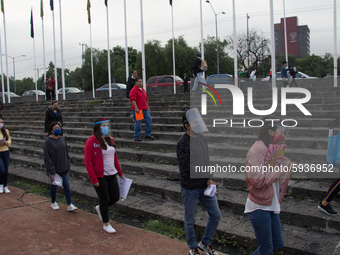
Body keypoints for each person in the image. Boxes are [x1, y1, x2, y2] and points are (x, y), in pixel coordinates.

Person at [244, 117, 293, 254]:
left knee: (277, 244)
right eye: (281, 132)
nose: (283, 135)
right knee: (267, 249)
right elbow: (257, 180)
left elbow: (272, 170)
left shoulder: (272, 148)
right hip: (259, 206)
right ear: (271, 132)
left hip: (270, 202)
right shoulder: (257, 149)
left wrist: (286, 166)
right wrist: (279, 172)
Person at [177, 108, 221, 255]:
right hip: (190, 188)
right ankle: (193, 246)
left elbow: (206, 160)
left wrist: (209, 178)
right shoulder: (182, 143)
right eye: (195, 121)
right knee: (190, 219)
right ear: (187, 125)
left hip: (204, 185)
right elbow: (187, 167)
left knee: (216, 214)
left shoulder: (202, 139)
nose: (199, 123)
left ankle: (205, 243)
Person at [84, 118, 124, 234]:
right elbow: (88, 161)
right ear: (98, 127)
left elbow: (114, 157)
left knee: (115, 197)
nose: (106, 127)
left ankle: (100, 208)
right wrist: (93, 178)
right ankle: (106, 223)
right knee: (104, 198)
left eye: (107, 125)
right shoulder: (91, 141)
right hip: (100, 176)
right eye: (103, 126)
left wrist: (120, 172)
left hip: (112, 173)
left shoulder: (110, 139)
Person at [43, 121, 77, 211]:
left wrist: (68, 164)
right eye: (55, 128)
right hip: (54, 169)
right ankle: (53, 202)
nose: (58, 129)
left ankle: (69, 204)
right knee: (54, 186)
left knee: (66, 185)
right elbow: (47, 157)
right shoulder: (48, 142)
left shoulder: (62, 139)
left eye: (59, 127)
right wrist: (51, 170)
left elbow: (66, 152)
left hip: (64, 167)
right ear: (51, 130)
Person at [129, 77, 154, 142]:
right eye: (139, 81)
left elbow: (146, 99)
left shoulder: (142, 89)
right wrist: (136, 108)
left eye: (141, 81)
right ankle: (136, 136)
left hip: (145, 109)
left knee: (149, 120)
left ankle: (147, 134)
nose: (141, 83)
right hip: (139, 110)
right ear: (136, 83)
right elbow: (133, 100)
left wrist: (147, 106)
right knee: (138, 123)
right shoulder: (133, 90)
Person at [0, 115, 11, 194]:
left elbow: (9, 142)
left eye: (1, 122)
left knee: (6, 170)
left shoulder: (5, 131)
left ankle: (5, 186)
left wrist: (5, 142)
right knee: (2, 169)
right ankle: (0, 184)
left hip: (5, 151)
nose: (1, 123)